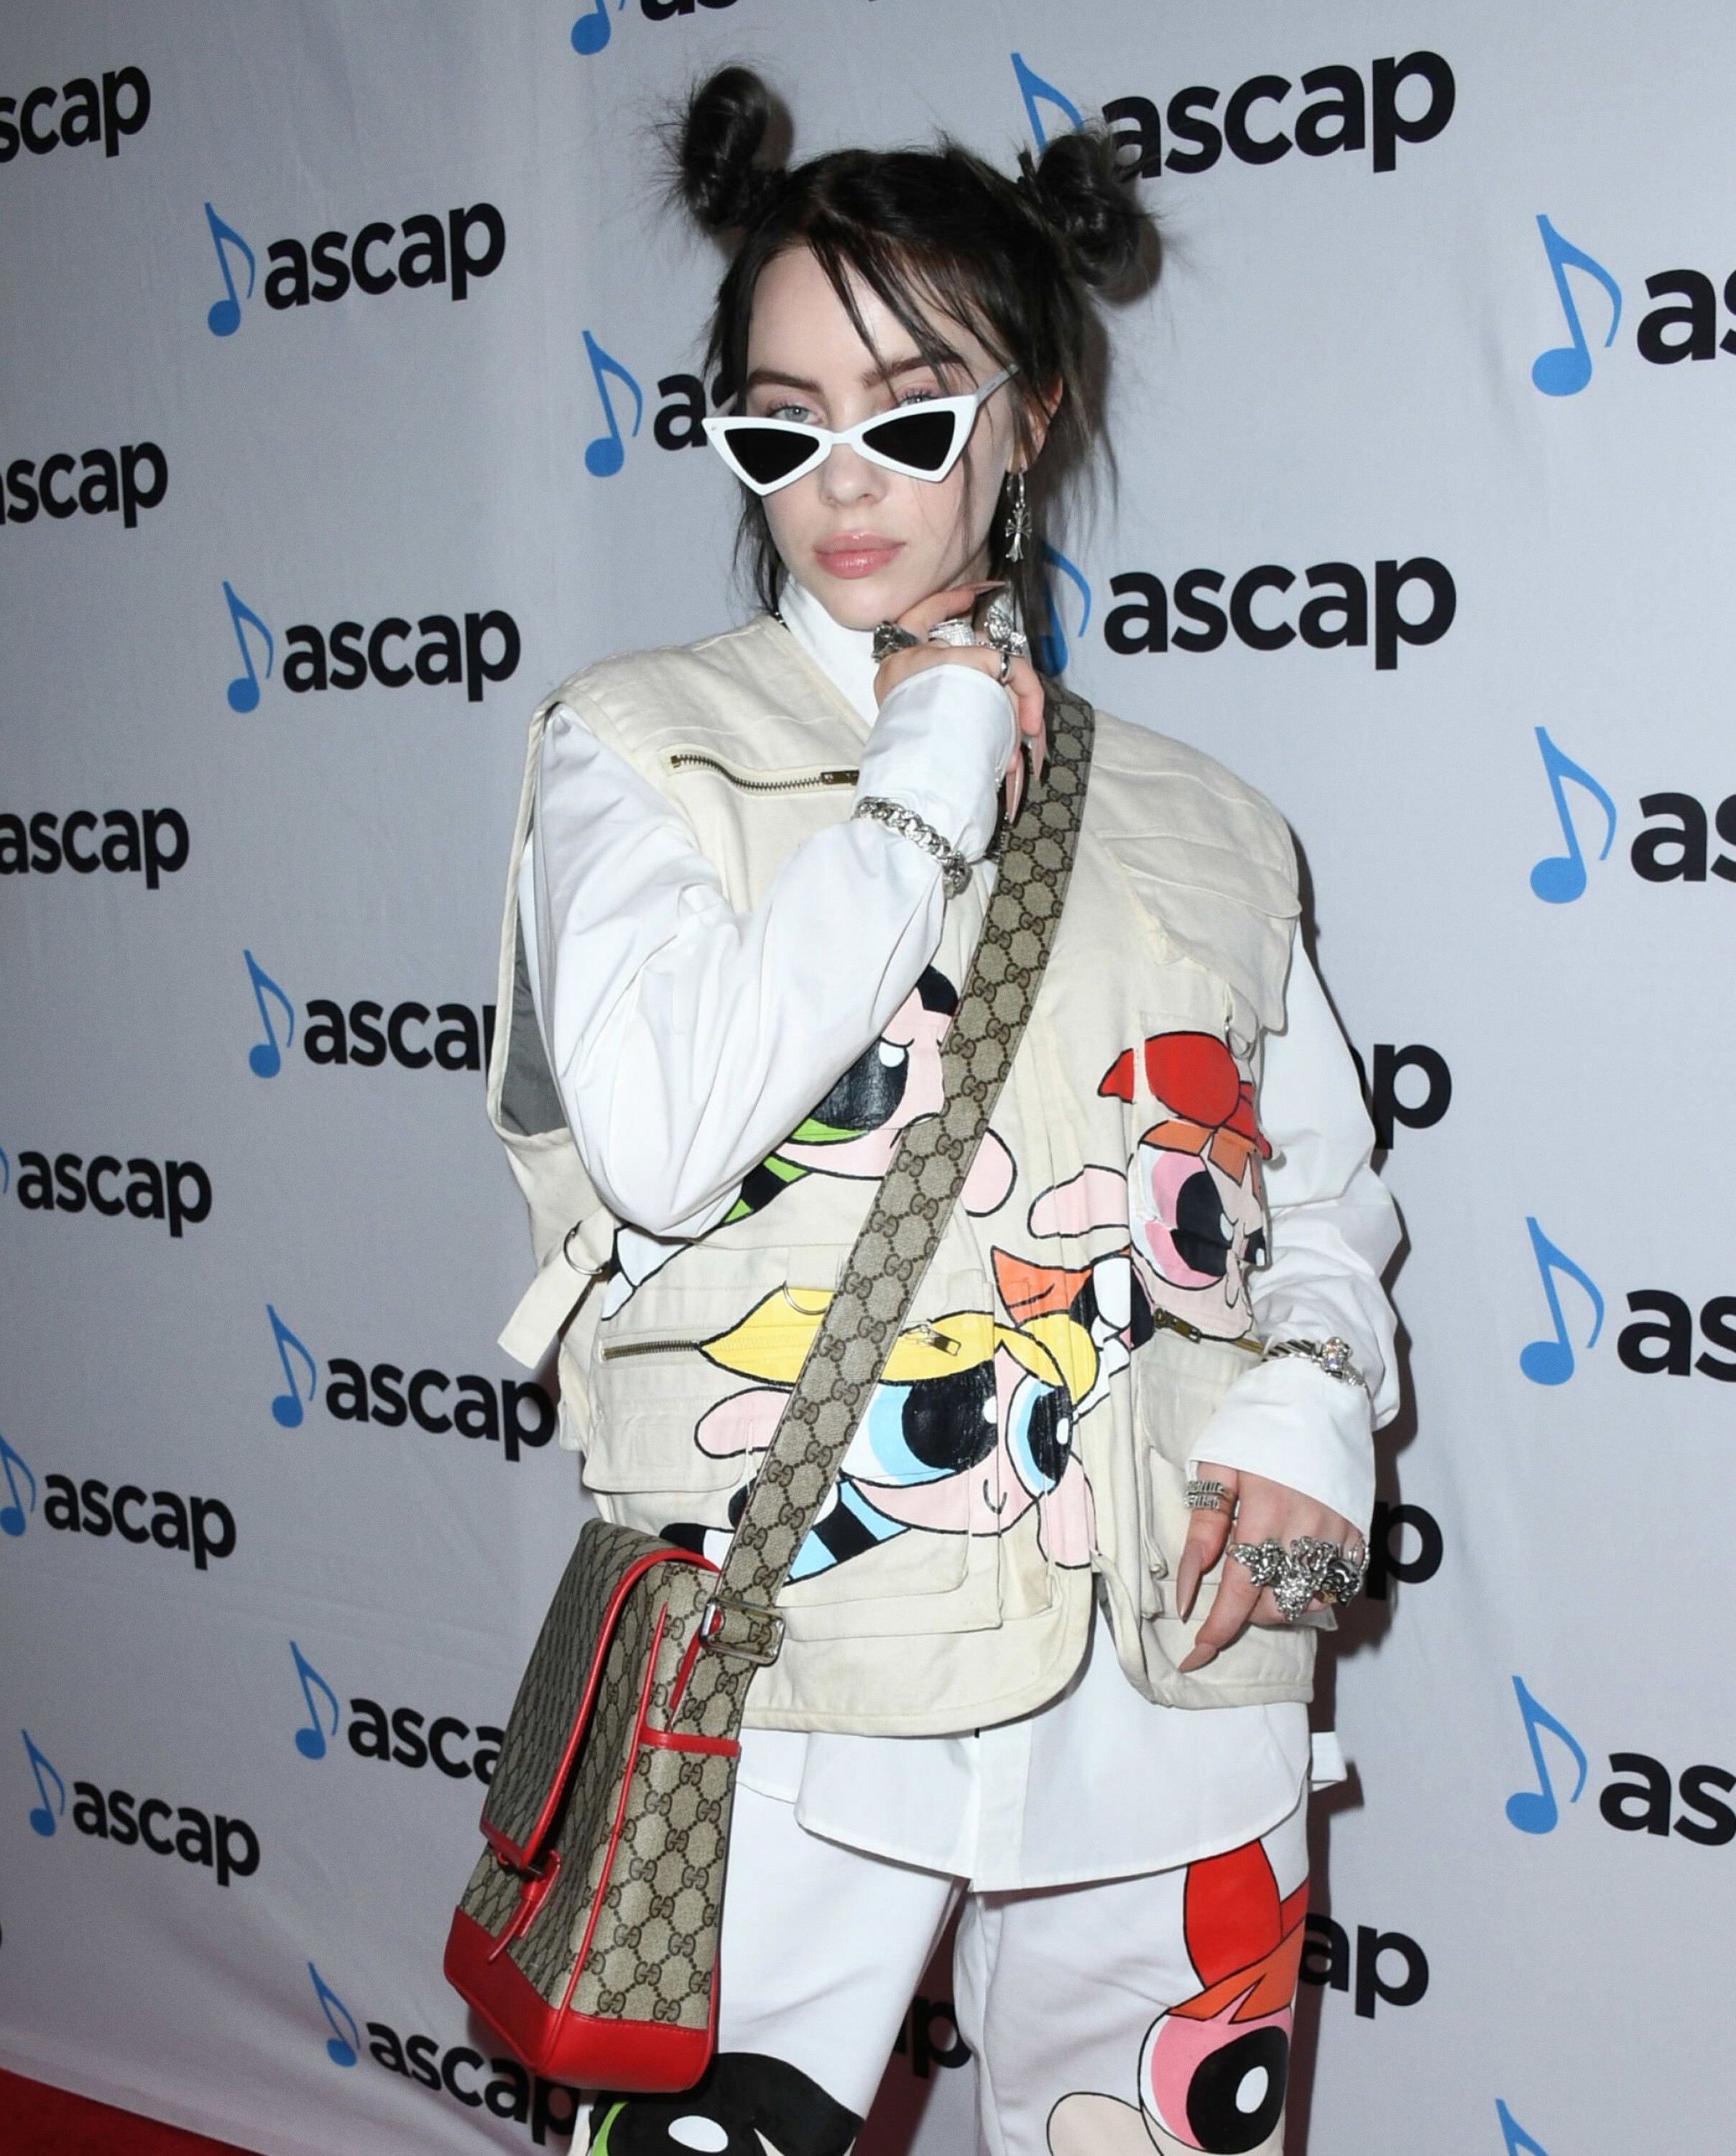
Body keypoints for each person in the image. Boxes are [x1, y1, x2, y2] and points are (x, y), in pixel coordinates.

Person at [488, 65, 1400, 2156]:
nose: (843, 482)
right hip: (793, 1661)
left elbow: (1326, 1197)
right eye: (778, 424)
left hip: (1174, 1667)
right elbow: (664, 1140)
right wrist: (921, 770)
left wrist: (1307, 1410)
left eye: (909, 418)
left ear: (1031, 416)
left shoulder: (1211, 827)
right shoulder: (643, 753)